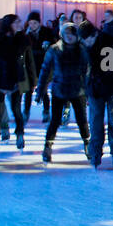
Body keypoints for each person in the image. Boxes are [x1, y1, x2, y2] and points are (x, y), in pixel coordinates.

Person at [36, 21, 91, 163]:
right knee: (55, 120)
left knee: (82, 120)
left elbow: (88, 71)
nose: (69, 36)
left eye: (72, 34)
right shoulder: (54, 50)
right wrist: (40, 89)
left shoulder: (82, 49)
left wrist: (89, 90)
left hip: (77, 90)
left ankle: (88, 144)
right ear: (61, 34)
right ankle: (47, 146)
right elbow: (45, 70)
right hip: (59, 89)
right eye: (66, 33)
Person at [85, 10, 113, 169]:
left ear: (94, 35)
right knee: (96, 122)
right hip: (95, 90)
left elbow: (109, 71)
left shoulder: (108, 43)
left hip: (110, 89)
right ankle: (95, 152)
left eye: (88, 40)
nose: (86, 43)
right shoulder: (86, 44)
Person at [0, 14, 32, 151]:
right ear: (9, 24)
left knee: (16, 110)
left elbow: (28, 61)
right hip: (0, 79)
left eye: (20, 21)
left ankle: (20, 134)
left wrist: (33, 80)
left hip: (16, 79)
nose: (20, 24)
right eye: (17, 22)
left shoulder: (23, 40)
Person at [22, 11, 52, 123]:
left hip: (44, 66)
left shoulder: (46, 32)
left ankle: (46, 111)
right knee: (28, 91)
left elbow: (51, 47)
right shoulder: (26, 34)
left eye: (35, 23)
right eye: (30, 23)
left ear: (39, 23)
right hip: (31, 66)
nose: (32, 25)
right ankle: (26, 111)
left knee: (42, 90)